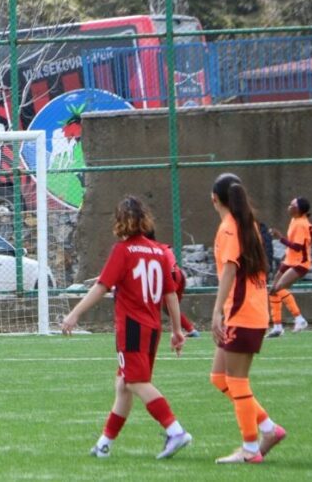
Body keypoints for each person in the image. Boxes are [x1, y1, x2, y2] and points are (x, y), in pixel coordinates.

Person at [60, 197, 192, 459]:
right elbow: (171, 294)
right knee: (123, 384)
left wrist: (74, 313)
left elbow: (101, 287)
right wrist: (177, 330)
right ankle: (104, 444)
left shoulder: (123, 250)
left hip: (131, 327)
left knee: (136, 382)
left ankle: (175, 430)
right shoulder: (158, 251)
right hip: (152, 328)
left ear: (120, 221)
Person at [208, 173, 287, 464]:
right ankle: (268, 429)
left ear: (214, 198)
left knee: (237, 381)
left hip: (242, 313)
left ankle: (251, 449)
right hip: (250, 311)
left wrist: (217, 312)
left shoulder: (230, 228)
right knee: (219, 378)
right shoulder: (248, 225)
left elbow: (229, 271)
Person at [268, 197, 312, 337]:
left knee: (278, 288)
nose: (289, 206)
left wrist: (280, 237)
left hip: (300, 263)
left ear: (298, 209)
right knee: (273, 291)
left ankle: (299, 319)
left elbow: (298, 246)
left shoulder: (301, 223)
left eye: (292, 205)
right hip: (289, 260)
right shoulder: (296, 220)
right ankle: (277, 326)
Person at [146, 230, 198, 338]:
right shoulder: (162, 247)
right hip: (179, 275)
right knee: (168, 307)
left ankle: (155, 328)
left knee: (167, 304)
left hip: (173, 275)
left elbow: (169, 268)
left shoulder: (148, 250)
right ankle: (190, 330)